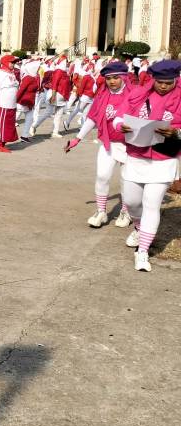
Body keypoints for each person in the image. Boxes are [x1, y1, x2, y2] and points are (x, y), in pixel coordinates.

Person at [114, 60, 181, 272]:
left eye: (168, 82)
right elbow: (117, 117)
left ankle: (142, 251)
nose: (164, 86)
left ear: (176, 80)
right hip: (136, 155)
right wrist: (121, 125)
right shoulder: (138, 95)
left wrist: (176, 133)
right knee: (132, 202)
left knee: (152, 204)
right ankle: (139, 228)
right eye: (160, 82)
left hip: (164, 158)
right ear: (153, 79)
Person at [65, 61, 133, 228]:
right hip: (108, 144)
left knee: (127, 181)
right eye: (108, 78)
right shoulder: (102, 95)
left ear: (124, 77)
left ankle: (126, 211)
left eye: (116, 78)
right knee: (102, 176)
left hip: (130, 147)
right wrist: (77, 139)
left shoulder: (135, 95)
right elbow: (92, 118)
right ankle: (101, 211)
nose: (112, 81)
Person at [16, 60, 40, 143]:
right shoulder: (28, 78)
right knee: (14, 118)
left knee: (29, 119)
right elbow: (21, 90)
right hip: (23, 101)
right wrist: (15, 101)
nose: (38, 69)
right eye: (37, 68)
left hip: (29, 102)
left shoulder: (32, 77)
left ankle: (24, 136)